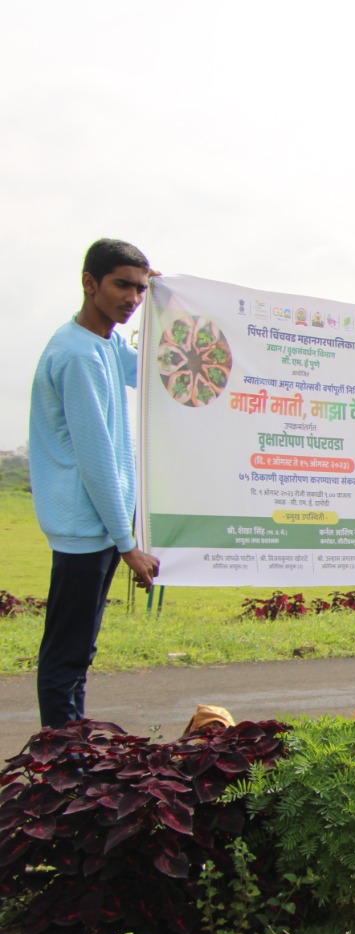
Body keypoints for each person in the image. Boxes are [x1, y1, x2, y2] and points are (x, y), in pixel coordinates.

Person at [30, 238, 161, 728]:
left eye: (140, 289)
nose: (132, 298)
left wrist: (168, 306)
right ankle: (63, 766)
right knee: (67, 654)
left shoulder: (104, 344)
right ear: (90, 283)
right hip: (85, 528)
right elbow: (97, 458)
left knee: (79, 649)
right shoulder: (77, 356)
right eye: (121, 285)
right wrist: (127, 544)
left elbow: (146, 369)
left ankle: (71, 754)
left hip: (100, 526)